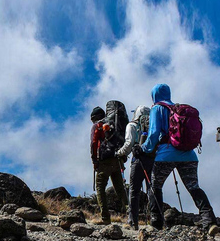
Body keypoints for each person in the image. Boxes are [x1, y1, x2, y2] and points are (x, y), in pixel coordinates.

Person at [135, 83, 219, 236]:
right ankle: (210, 221)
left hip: (166, 155)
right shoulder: (179, 109)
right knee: (194, 187)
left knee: (155, 185)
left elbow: (153, 135)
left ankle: (156, 223)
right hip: (189, 155)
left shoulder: (157, 108)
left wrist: (142, 149)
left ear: (154, 95)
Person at [115, 105, 152, 230]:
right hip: (153, 159)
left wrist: (119, 153)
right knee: (152, 190)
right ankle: (155, 220)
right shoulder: (152, 124)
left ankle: (132, 222)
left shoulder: (132, 125)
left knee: (134, 191)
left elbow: (129, 144)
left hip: (138, 159)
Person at [90, 106, 128, 225]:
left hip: (104, 160)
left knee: (100, 187)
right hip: (117, 159)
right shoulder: (114, 125)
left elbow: (94, 143)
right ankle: (131, 214)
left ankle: (105, 218)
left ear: (95, 117)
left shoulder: (97, 125)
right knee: (120, 188)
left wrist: (94, 161)